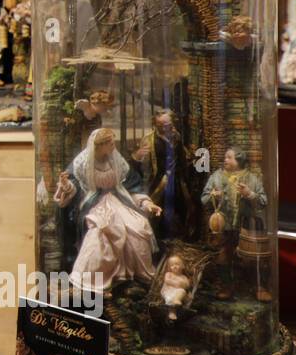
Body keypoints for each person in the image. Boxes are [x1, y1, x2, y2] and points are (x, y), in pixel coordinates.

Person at [55, 127, 161, 295]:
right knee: (103, 231)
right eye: (110, 143)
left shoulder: (117, 161)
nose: (113, 145)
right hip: (95, 203)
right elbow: (72, 187)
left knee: (139, 226)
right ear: (99, 146)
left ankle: (132, 276)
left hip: (118, 200)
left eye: (113, 142)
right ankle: (94, 280)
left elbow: (132, 186)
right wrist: (66, 185)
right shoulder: (82, 163)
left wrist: (146, 203)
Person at [201, 146, 268, 299]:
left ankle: (259, 287)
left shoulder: (251, 178)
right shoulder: (216, 177)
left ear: (239, 160)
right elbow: (203, 199)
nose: (225, 160)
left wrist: (249, 194)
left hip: (246, 225)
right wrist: (213, 196)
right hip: (224, 225)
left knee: (251, 257)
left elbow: (264, 201)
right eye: (225, 157)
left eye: (229, 157)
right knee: (222, 255)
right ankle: (226, 286)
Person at [134, 108, 195, 246]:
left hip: (177, 180)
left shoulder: (176, 136)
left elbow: (181, 156)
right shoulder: (149, 140)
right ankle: (157, 241)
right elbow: (142, 166)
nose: (165, 127)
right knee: (157, 210)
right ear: (156, 125)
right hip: (158, 182)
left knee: (182, 207)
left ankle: (181, 239)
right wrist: (138, 157)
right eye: (160, 125)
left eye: (167, 124)